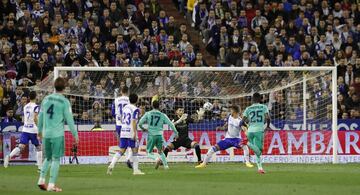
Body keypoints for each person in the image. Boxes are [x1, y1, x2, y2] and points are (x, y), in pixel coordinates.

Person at [37, 77, 79, 192]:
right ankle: (51, 184)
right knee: (56, 159)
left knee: (48, 158)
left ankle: (41, 180)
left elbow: (40, 117)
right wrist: (75, 135)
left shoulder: (46, 99)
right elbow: (70, 120)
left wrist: (39, 131)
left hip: (46, 134)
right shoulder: (65, 101)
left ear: (54, 86)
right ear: (64, 88)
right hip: (57, 135)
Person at [107, 93, 144, 175]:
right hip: (131, 131)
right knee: (135, 150)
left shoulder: (125, 107)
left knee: (121, 150)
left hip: (123, 130)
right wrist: (135, 133)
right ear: (137, 100)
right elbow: (134, 121)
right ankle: (136, 170)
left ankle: (112, 165)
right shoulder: (135, 109)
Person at [4, 91, 42, 170]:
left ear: (29, 98)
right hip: (33, 130)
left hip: (25, 129)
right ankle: (40, 166)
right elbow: (35, 118)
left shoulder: (25, 106)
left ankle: (9, 156)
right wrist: (39, 127)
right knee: (39, 147)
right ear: (35, 97)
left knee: (21, 146)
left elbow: (24, 118)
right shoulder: (36, 106)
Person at [138, 98, 179, 169]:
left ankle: (156, 159)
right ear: (159, 106)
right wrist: (176, 133)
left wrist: (143, 129)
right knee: (160, 151)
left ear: (152, 106)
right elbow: (171, 124)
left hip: (151, 135)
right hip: (160, 135)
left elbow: (140, 123)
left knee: (148, 152)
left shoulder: (148, 113)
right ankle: (166, 166)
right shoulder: (162, 115)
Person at [242, 92, 270, 174]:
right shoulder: (263, 107)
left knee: (256, 151)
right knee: (259, 151)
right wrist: (267, 126)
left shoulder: (248, 108)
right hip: (259, 130)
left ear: (253, 99)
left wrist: (247, 126)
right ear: (260, 99)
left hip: (250, 131)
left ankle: (260, 168)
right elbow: (268, 118)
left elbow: (243, 121)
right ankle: (246, 142)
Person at [111, 86, 132, 168]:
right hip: (128, 125)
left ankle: (114, 163)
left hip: (119, 125)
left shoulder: (116, 100)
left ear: (121, 91)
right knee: (131, 144)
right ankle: (128, 159)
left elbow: (113, 113)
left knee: (123, 145)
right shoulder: (130, 100)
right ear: (128, 91)